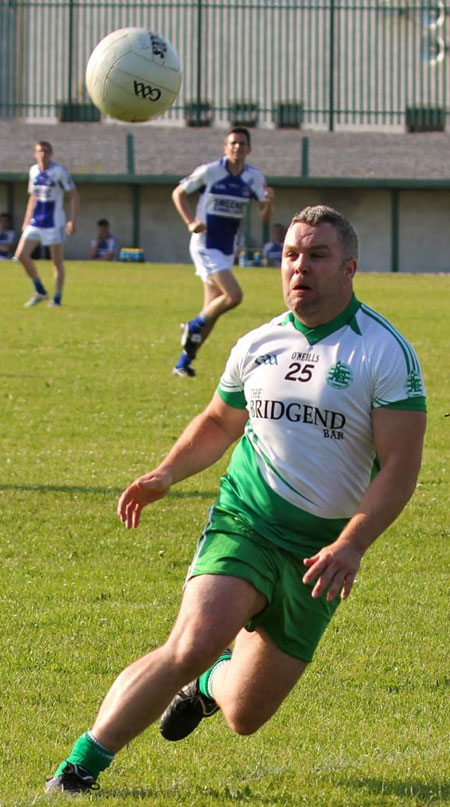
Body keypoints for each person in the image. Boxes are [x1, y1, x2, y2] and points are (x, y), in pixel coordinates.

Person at [45, 205, 426, 794]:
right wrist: (167, 474)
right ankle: (80, 768)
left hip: (318, 554)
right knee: (192, 643)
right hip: (246, 521)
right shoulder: (257, 342)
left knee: (245, 716)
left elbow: (401, 468)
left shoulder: (384, 352)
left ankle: (204, 688)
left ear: (350, 268)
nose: (299, 266)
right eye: (291, 254)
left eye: (317, 255)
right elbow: (220, 422)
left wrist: (352, 545)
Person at [171, 126, 274, 378]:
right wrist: (190, 222)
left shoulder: (254, 178)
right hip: (205, 244)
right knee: (234, 295)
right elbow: (178, 193)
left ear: (249, 149)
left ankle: (183, 363)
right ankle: (192, 324)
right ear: (225, 147)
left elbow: (265, 217)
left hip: (227, 248)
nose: (237, 147)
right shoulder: (210, 171)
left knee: (212, 311)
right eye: (233, 143)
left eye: (241, 143)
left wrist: (270, 202)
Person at [14, 141, 79, 307]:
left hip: (54, 222)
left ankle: (57, 298)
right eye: (39, 151)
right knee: (21, 255)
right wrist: (26, 218)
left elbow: (74, 195)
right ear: (35, 154)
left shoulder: (59, 172)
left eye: (46, 151)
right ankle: (40, 291)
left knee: (56, 261)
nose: (42, 154)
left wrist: (73, 219)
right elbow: (33, 196)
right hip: (36, 221)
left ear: (51, 153)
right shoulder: (33, 171)